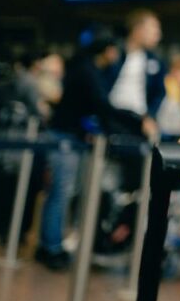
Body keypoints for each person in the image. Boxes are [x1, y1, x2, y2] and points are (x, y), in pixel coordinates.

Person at [36, 28, 150, 270]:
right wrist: (137, 121)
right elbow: (102, 106)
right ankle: (51, 247)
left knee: (62, 191)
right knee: (61, 192)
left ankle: (50, 244)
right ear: (107, 50)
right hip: (64, 137)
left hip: (68, 135)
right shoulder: (88, 71)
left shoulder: (87, 68)